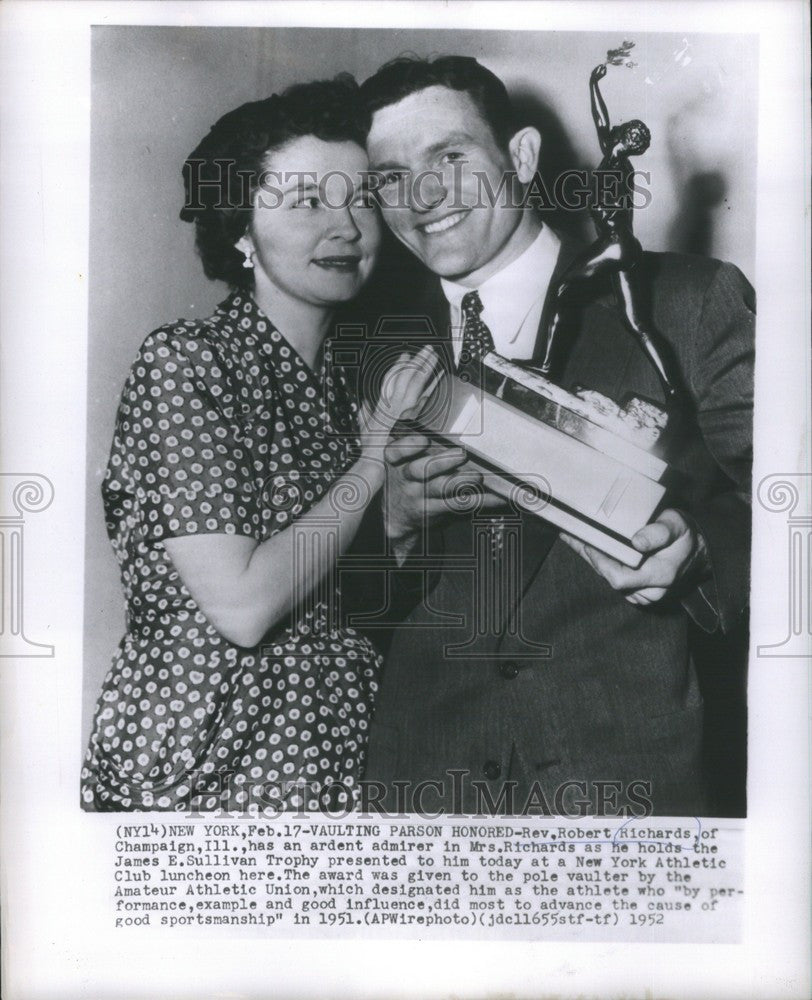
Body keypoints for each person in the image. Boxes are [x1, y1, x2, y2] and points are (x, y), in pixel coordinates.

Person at [357, 55, 754, 816]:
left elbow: (789, 512)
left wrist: (699, 547)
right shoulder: (368, 348)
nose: (424, 195)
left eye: (450, 156)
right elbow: (345, 606)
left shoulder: (683, 302)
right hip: (425, 792)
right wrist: (394, 526)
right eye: (391, 176)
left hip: (622, 780)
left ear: (524, 157)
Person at [81, 77, 436, 814]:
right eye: (307, 201)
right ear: (240, 227)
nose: (347, 228)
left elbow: (354, 596)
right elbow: (244, 604)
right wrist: (372, 465)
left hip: (334, 753)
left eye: (361, 199)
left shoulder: (349, 386)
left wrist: (401, 520)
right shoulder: (187, 362)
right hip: (203, 763)